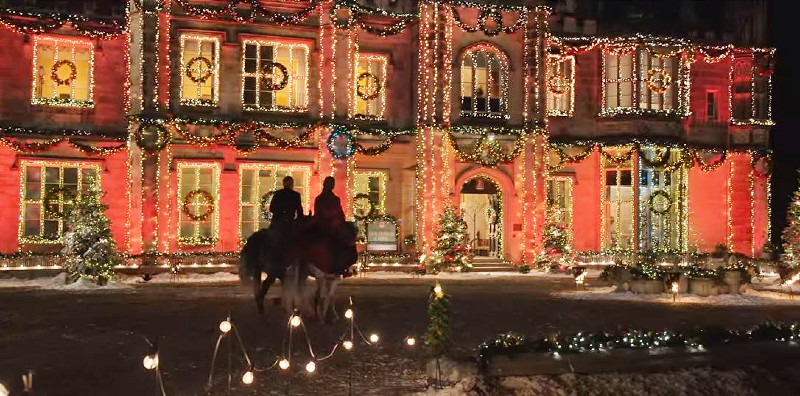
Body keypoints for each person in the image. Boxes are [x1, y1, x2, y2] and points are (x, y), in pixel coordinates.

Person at [267, 176, 304, 276]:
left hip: (277, 222)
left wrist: (280, 213)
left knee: (271, 240)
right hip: (288, 224)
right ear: (292, 184)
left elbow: (271, 208)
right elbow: (299, 211)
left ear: (283, 184)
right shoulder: (296, 195)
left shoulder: (278, 194)